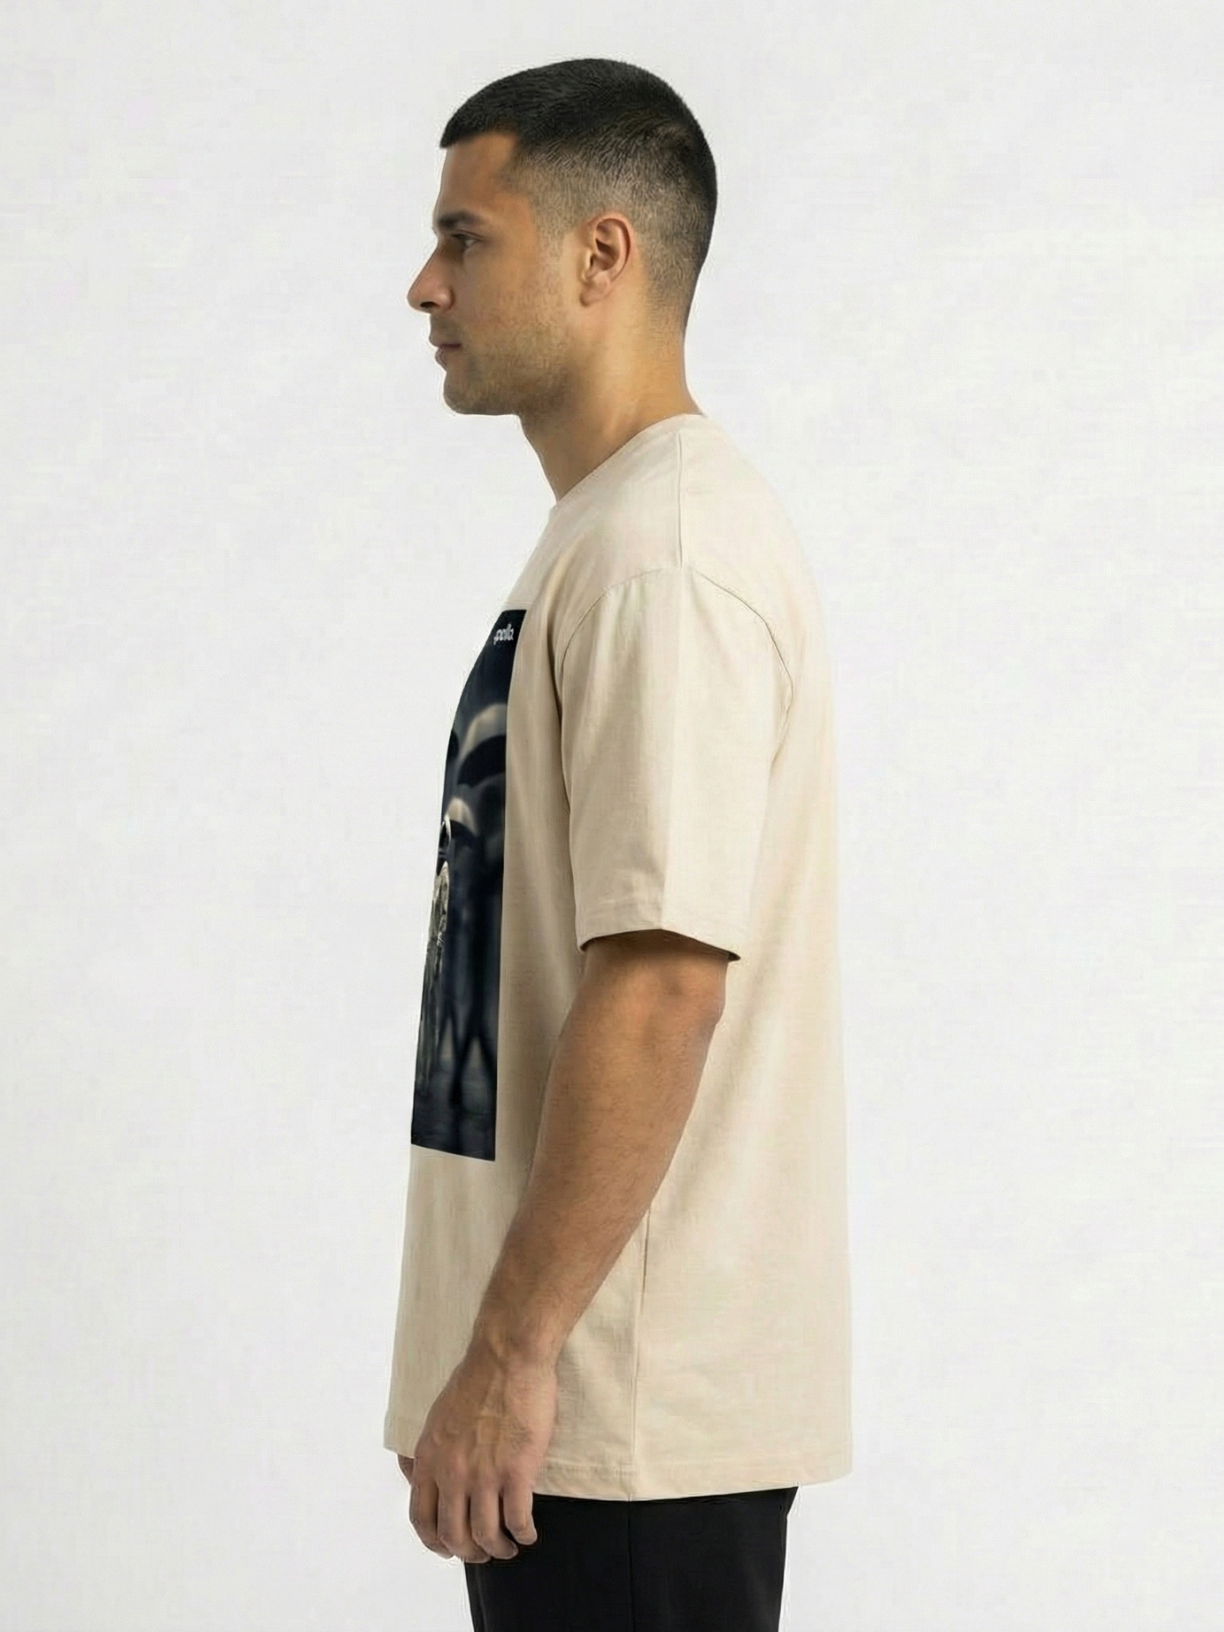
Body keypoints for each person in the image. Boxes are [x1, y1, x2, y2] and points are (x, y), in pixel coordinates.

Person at [384, 56, 851, 1632]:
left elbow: (662, 985)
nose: (426, 286)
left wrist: (514, 1353)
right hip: (584, 1414)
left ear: (603, 254)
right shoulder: (611, 534)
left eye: (466, 238)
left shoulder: (666, 555)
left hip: (620, 1414)